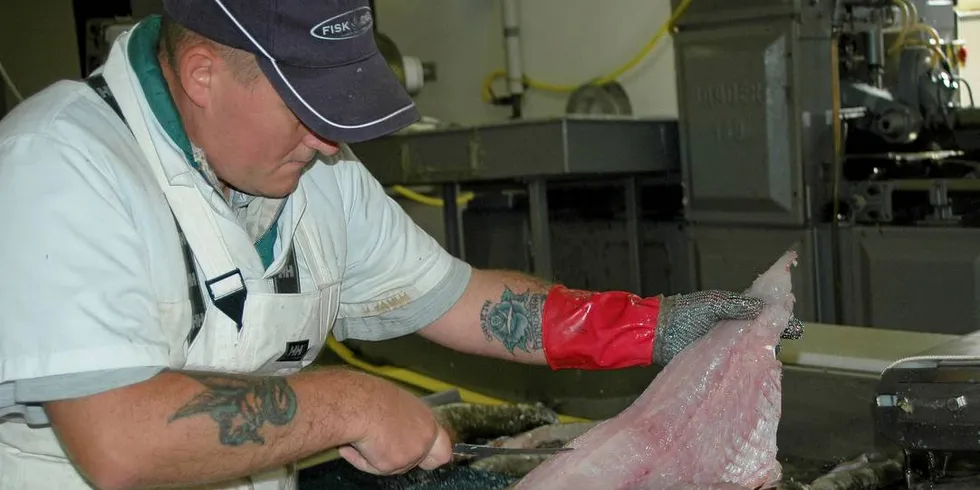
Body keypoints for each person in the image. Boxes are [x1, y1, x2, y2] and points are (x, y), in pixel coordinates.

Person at [0, 1, 804, 489]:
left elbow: (462, 301)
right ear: (204, 73)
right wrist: (351, 402)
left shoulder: (317, 173)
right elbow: (116, 441)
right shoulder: (60, 166)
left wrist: (653, 327)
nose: (327, 140)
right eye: (306, 108)